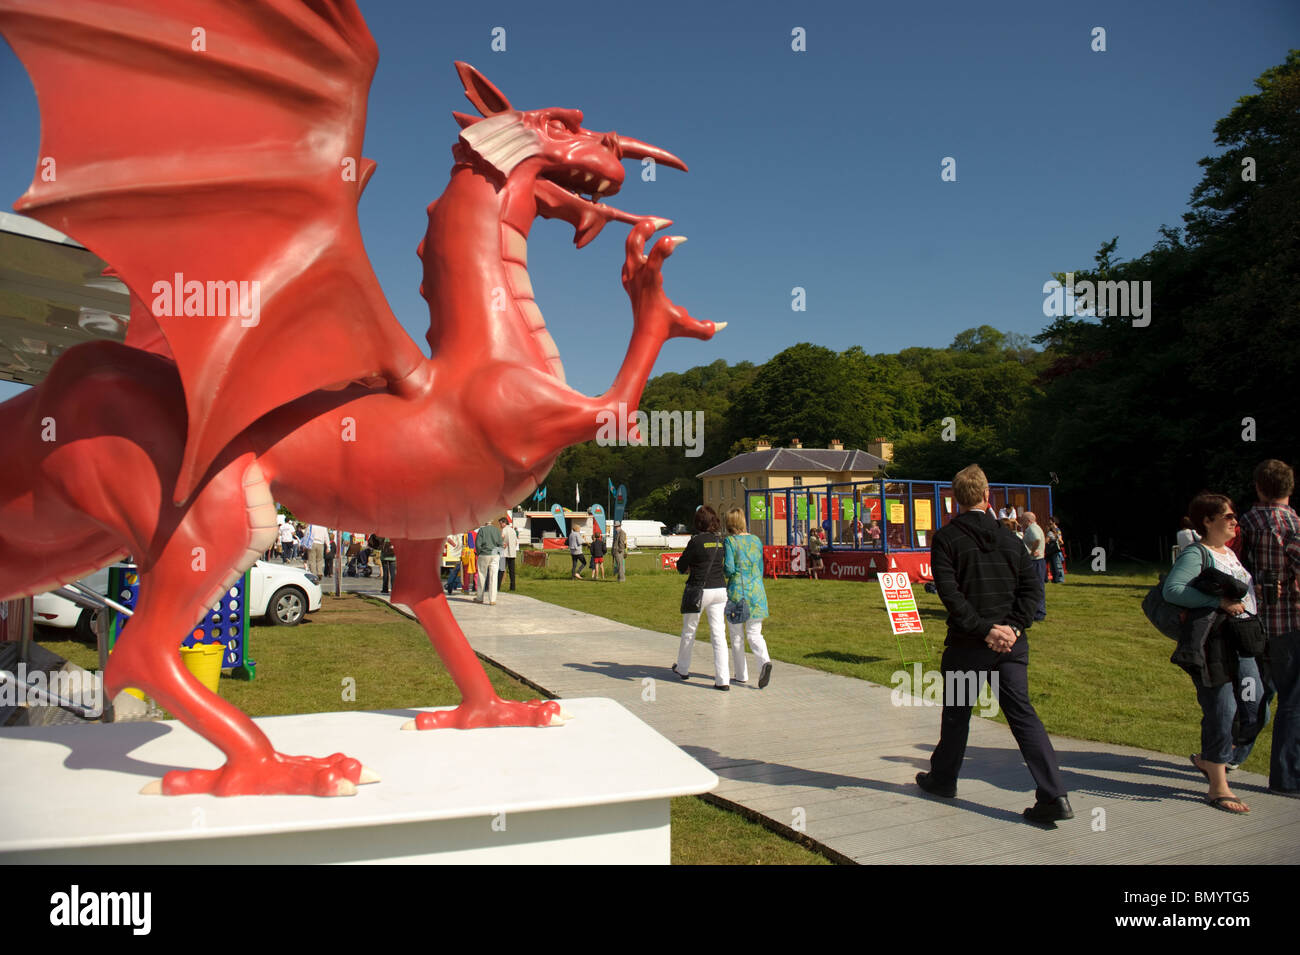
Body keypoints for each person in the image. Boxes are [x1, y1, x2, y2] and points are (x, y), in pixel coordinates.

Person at [917, 464, 1072, 823]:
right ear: (988, 497)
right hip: (1011, 645)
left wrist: (985, 630)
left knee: (957, 716)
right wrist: (1014, 628)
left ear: (955, 499)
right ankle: (1054, 793)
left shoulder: (946, 538)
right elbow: (1032, 588)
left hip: (969, 644)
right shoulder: (1010, 538)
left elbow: (951, 595)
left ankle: (943, 779)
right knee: (1023, 716)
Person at [1165, 492, 1266, 813]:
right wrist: (1218, 602)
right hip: (1214, 646)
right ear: (1207, 521)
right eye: (1229, 517)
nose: (1235, 521)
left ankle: (1213, 757)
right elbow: (1173, 590)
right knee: (1222, 709)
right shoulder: (1197, 553)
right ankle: (1218, 785)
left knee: (1254, 705)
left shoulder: (1229, 554)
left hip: (1243, 641)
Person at [1239, 459, 1299, 798]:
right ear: (1289, 488)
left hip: (1249, 622)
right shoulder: (1293, 524)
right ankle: (1287, 778)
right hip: (1289, 623)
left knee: (1257, 693)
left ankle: (1225, 755)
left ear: (1260, 487)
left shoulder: (1243, 522)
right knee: (1293, 700)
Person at [673, 506, 730, 689]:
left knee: (689, 630)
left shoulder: (696, 541)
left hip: (700, 589)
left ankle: (683, 668)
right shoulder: (720, 541)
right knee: (719, 634)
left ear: (698, 523)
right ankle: (723, 679)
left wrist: (690, 567)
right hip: (720, 589)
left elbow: (681, 565)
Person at [723, 508, 773, 688]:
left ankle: (741, 674)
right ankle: (764, 661)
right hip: (757, 592)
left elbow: (729, 568)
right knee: (754, 633)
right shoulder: (756, 540)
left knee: (737, 636)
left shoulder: (730, 542)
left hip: (738, 593)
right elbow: (760, 567)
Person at [1019, 511, 1047, 620]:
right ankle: (1038, 611)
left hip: (1035, 561)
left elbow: (1037, 539)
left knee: (1036, 587)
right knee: (1038, 586)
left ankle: (1039, 612)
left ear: (1029, 520)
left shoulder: (1032, 529)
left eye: (1023, 520)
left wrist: (1032, 550)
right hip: (1039, 561)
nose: (1022, 522)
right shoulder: (1037, 527)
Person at [475, 518, 503, 604]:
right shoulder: (497, 530)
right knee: (494, 577)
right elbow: (500, 544)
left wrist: (480, 553)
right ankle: (492, 599)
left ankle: (480, 598)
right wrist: (498, 553)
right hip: (495, 555)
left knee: (482, 576)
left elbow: (478, 544)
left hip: (484, 554)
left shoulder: (482, 530)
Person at [499, 516, 519, 592]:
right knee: (512, 571)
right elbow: (516, 541)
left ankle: (498, 586)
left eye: (500, 523)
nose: (500, 525)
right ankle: (513, 587)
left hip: (505, 553)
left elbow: (502, 537)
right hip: (512, 553)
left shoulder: (504, 530)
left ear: (504, 523)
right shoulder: (513, 530)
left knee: (501, 570)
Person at [1045, 516, 1065, 583]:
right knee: (1053, 565)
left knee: (1057, 565)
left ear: (1054, 522)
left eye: (1050, 522)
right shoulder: (1051, 531)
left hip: (1055, 550)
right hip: (1052, 550)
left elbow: (1060, 540)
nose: (1049, 523)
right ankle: (1055, 578)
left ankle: (1060, 579)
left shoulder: (1057, 530)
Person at [460, 530, 477, 595]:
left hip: (468, 555)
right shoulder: (476, 534)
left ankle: (466, 589)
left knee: (466, 573)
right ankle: (477, 589)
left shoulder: (466, 534)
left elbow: (464, 545)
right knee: (476, 572)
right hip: (476, 554)